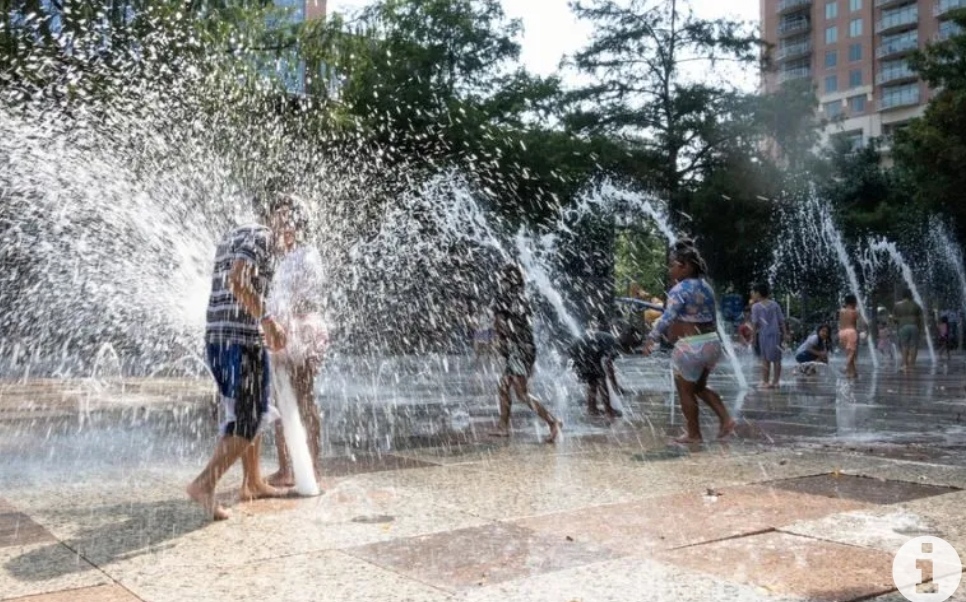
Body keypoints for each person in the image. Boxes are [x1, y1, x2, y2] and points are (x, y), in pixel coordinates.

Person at [186, 192, 302, 520]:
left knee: (252, 409)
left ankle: (252, 481)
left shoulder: (239, 232)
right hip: (239, 339)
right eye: (293, 224)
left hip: (222, 336)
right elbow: (237, 280)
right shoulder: (263, 237)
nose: (294, 235)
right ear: (280, 218)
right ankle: (204, 483)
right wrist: (267, 322)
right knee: (249, 417)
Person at [642, 239, 735, 444]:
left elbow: (667, 317)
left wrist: (651, 338)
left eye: (673, 265)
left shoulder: (680, 289)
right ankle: (726, 418)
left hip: (690, 346)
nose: (670, 270)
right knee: (699, 388)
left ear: (685, 266)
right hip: (712, 343)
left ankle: (694, 434)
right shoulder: (706, 288)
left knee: (685, 390)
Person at [265, 220, 328, 489]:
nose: (281, 228)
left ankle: (311, 465)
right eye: (277, 221)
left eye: (286, 221)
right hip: (282, 329)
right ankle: (286, 468)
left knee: (304, 397)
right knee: (280, 399)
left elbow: (309, 296)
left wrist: (285, 321)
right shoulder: (280, 258)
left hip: (300, 329)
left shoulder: (308, 254)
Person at [490, 263, 562, 443]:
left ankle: (552, 421)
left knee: (521, 393)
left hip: (517, 349)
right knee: (504, 387)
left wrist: (500, 341)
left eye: (502, 277)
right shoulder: (523, 297)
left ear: (506, 279)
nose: (500, 281)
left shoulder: (503, 297)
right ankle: (503, 426)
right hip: (527, 348)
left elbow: (501, 325)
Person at [568, 321, 628, 418]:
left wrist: (615, 385)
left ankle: (592, 409)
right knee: (601, 378)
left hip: (579, 348)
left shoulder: (612, 340)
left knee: (593, 380)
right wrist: (615, 386)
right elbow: (609, 367)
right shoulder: (614, 345)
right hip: (583, 349)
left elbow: (609, 366)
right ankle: (609, 411)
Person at [750, 282, 789, 389]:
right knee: (777, 359)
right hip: (776, 334)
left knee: (765, 359)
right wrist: (785, 334)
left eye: (753, 292)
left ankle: (766, 381)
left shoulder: (755, 307)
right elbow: (781, 321)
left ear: (758, 293)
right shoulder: (774, 304)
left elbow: (754, 323)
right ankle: (776, 381)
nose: (752, 295)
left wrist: (753, 337)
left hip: (763, 335)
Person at [893, 289, 923, 371]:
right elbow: (920, 318)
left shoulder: (898, 306)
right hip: (914, 326)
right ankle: (912, 365)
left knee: (904, 345)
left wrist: (898, 321)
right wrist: (921, 329)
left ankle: (905, 364)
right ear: (911, 295)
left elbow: (894, 319)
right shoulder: (916, 305)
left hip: (903, 327)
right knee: (913, 346)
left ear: (903, 295)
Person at [839, 294, 862, 379]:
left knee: (848, 353)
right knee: (852, 352)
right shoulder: (854, 312)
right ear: (854, 302)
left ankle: (852, 372)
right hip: (851, 332)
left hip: (841, 332)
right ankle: (845, 366)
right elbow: (861, 323)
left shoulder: (841, 311)